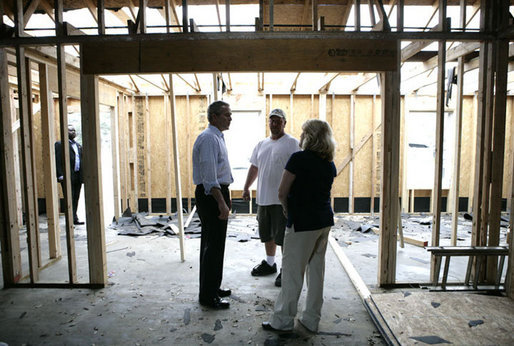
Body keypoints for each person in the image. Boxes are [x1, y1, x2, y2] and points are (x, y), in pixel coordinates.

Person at [262, 119, 336, 333]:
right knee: (316, 273)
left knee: (292, 274)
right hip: (323, 222)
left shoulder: (298, 159)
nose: (301, 136)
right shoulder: (328, 163)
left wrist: (286, 210)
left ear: (309, 136)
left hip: (302, 224)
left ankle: (283, 321)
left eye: (304, 132)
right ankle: (311, 319)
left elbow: (282, 192)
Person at [243, 109, 300, 287]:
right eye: (271, 121)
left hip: (282, 200)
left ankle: (286, 270)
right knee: (267, 234)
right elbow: (254, 167)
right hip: (263, 199)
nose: (274, 124)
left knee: (283, 237)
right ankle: (270, 263)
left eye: (278, 121)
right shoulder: (261, 144)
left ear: (284, 123)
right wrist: (246, 188)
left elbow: (299, 169)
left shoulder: (292, 143)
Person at [192, 100, 234, 310]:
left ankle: (212, 287)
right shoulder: (209, 138)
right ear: (215, 116)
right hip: (211, 195)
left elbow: (219, 172)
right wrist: (221, 203)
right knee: (213, 246)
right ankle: (208, 297)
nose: (230, 118)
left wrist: (227, 197)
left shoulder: (217, 136)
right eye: (226, 114)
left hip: (217, 193)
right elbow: (209, 178)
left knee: (215, 245)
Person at [55, 124, 84, 225]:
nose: (73, 132)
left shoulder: (78, 145)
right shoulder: (59, 144)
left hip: (77, 176)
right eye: (71, 130)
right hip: (67, 176)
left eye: (74, 130)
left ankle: (74, 218)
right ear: (65, 132)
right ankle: (69, 220)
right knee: (69, 198)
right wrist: (60, 175)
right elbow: (58, 160)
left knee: (76, 197)